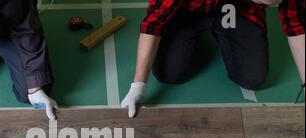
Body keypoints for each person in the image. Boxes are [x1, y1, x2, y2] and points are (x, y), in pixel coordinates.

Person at [121, 0, 305, 118]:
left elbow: (296, 26)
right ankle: (195, 33)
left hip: (235, 9)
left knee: (252, 78)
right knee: (167, 73)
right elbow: (153, 24)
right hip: (189, 10)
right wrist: (138, 85)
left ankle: (221, 31)